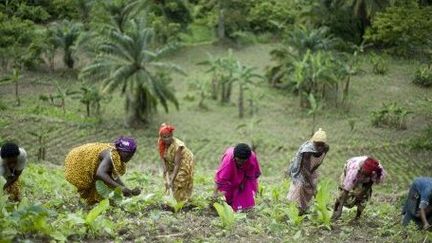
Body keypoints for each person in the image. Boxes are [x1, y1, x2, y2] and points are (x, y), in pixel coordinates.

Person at [64, 136, 141, 204]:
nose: (129, 158)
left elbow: (113, 176)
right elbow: (100, 173)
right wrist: (121, 188)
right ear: (121, 150)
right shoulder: (110, 155)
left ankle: (92, 204)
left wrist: (126, 190)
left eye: (131, 155)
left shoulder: (116, 156)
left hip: (78, 156)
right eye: (127, 155)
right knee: (93, 183)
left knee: (105, 181)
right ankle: (89, 205)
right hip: (75, 161)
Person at [287, 128, 329, 214]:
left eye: (322, 145)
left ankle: (304, 207)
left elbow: (318, 162)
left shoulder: (325, 149)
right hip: (300, 169)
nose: (320, 147)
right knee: (300, 186)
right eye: (318, 145)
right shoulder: (307, 150)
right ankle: (295, 209)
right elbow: (304, 169)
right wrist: (311, 183)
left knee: (309, 189)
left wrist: (312, 179)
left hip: (311, 169)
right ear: (314, 143)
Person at [332, 156, 386, 221]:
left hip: (367, 180)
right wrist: (340, 210)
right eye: (362, 173)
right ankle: (335, 211)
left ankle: (357, 218)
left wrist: (363, 191)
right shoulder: (353, 171)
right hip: (352, 172)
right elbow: (345, 190)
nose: (362, 176)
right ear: (361, 168)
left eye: (365, 174)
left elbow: (372, 182)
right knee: (342, 195)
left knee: (364, 198)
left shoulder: (378, 173)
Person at [214, 143, 261, 212]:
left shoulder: (252, 158)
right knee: (226, 197)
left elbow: (253, 177)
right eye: (239, 160)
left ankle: (244, 208)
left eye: (243, 161)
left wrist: (256, 191)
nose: (240, 163)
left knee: (247, 199)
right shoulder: (228, 162)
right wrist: (214, 195)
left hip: (245, 177)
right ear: (234, 157)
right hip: (231, 176)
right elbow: (219, 180)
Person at [158, 123, 194, 202]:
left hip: (184, 160)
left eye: (169, 136)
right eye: (164, 137)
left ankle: (181, 201)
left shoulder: (178, 146)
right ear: (161, 137)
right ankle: (170, 198)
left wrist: (172, 180)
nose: (167, 139)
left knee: (180, 179)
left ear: (172, 135)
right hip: (170, 160)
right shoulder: (160, 142)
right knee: (168, 179)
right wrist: (165, 168)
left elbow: (177, 165)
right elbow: (162, 157)